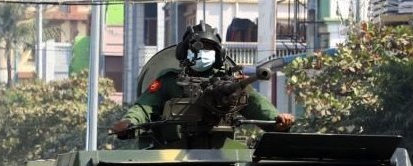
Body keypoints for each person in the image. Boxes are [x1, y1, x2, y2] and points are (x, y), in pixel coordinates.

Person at [111, 22, 295, 140]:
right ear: (184, 52)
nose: (202, 53)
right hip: (171, 152)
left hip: (221, 155)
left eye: (209, 49)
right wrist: (129, 122)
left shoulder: (232, 85)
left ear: (219, 55)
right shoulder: (169, 81)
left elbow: (257, 105)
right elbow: (144, 107)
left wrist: (277, 120)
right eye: (196, 48)